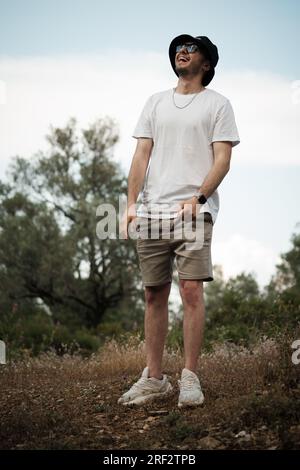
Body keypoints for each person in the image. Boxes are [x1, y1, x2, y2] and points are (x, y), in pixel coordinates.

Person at [118, 34, 240, 407]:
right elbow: (141, 155)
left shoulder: (218, 104)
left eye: (191, 48)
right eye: (177, 48)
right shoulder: (155, 102)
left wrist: (198, 198)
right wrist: (131, 203)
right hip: (152, 211)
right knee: (154, 293)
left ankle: (189, 377)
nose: (181, 51)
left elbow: (222, 160)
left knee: (190, 291)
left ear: (206, 63)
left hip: (194, 212)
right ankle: (155, 379)